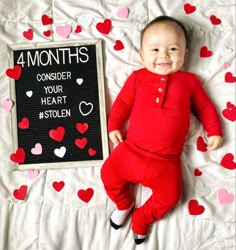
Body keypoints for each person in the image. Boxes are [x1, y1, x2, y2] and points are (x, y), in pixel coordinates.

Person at [101, 15, 223, 245]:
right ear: (142, 55)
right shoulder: (138, 78)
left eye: (173, 49)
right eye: (155, 49)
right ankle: (124, 204)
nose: (163, 56)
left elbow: (205, 107)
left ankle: (142, 218)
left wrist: (214, 130)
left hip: (166, 161)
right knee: (108, 173)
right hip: (132, 150)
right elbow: (122, 104)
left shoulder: (190, 81)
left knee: (171, 196)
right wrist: (113, 125)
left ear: (185, 54)